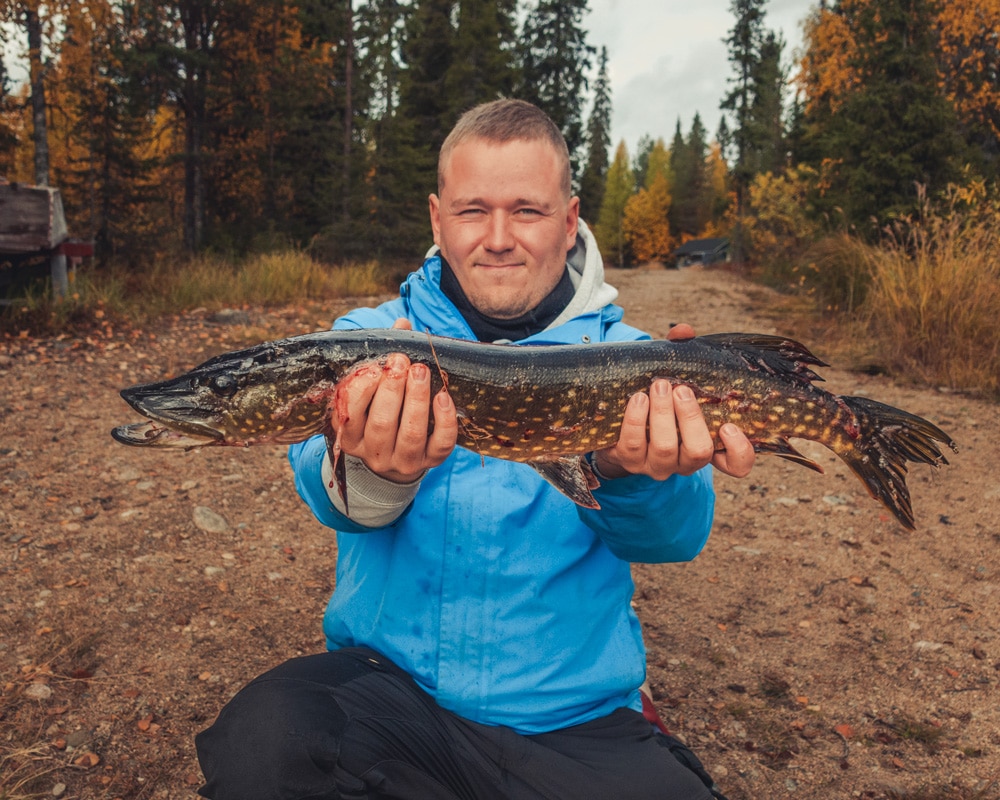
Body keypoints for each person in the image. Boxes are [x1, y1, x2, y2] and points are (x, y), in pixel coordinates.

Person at [195, 99, 756, 800]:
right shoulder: (372, 337)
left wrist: (624, 472)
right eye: (472, 211)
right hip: (393, 697)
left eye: (526, 211)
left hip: (574, 720)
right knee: (265, 743)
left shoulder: (634, 357)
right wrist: (372, 473)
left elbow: (674, 538)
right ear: (437, 219)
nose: (497, 238)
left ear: (569, 220)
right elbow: (323, 487)